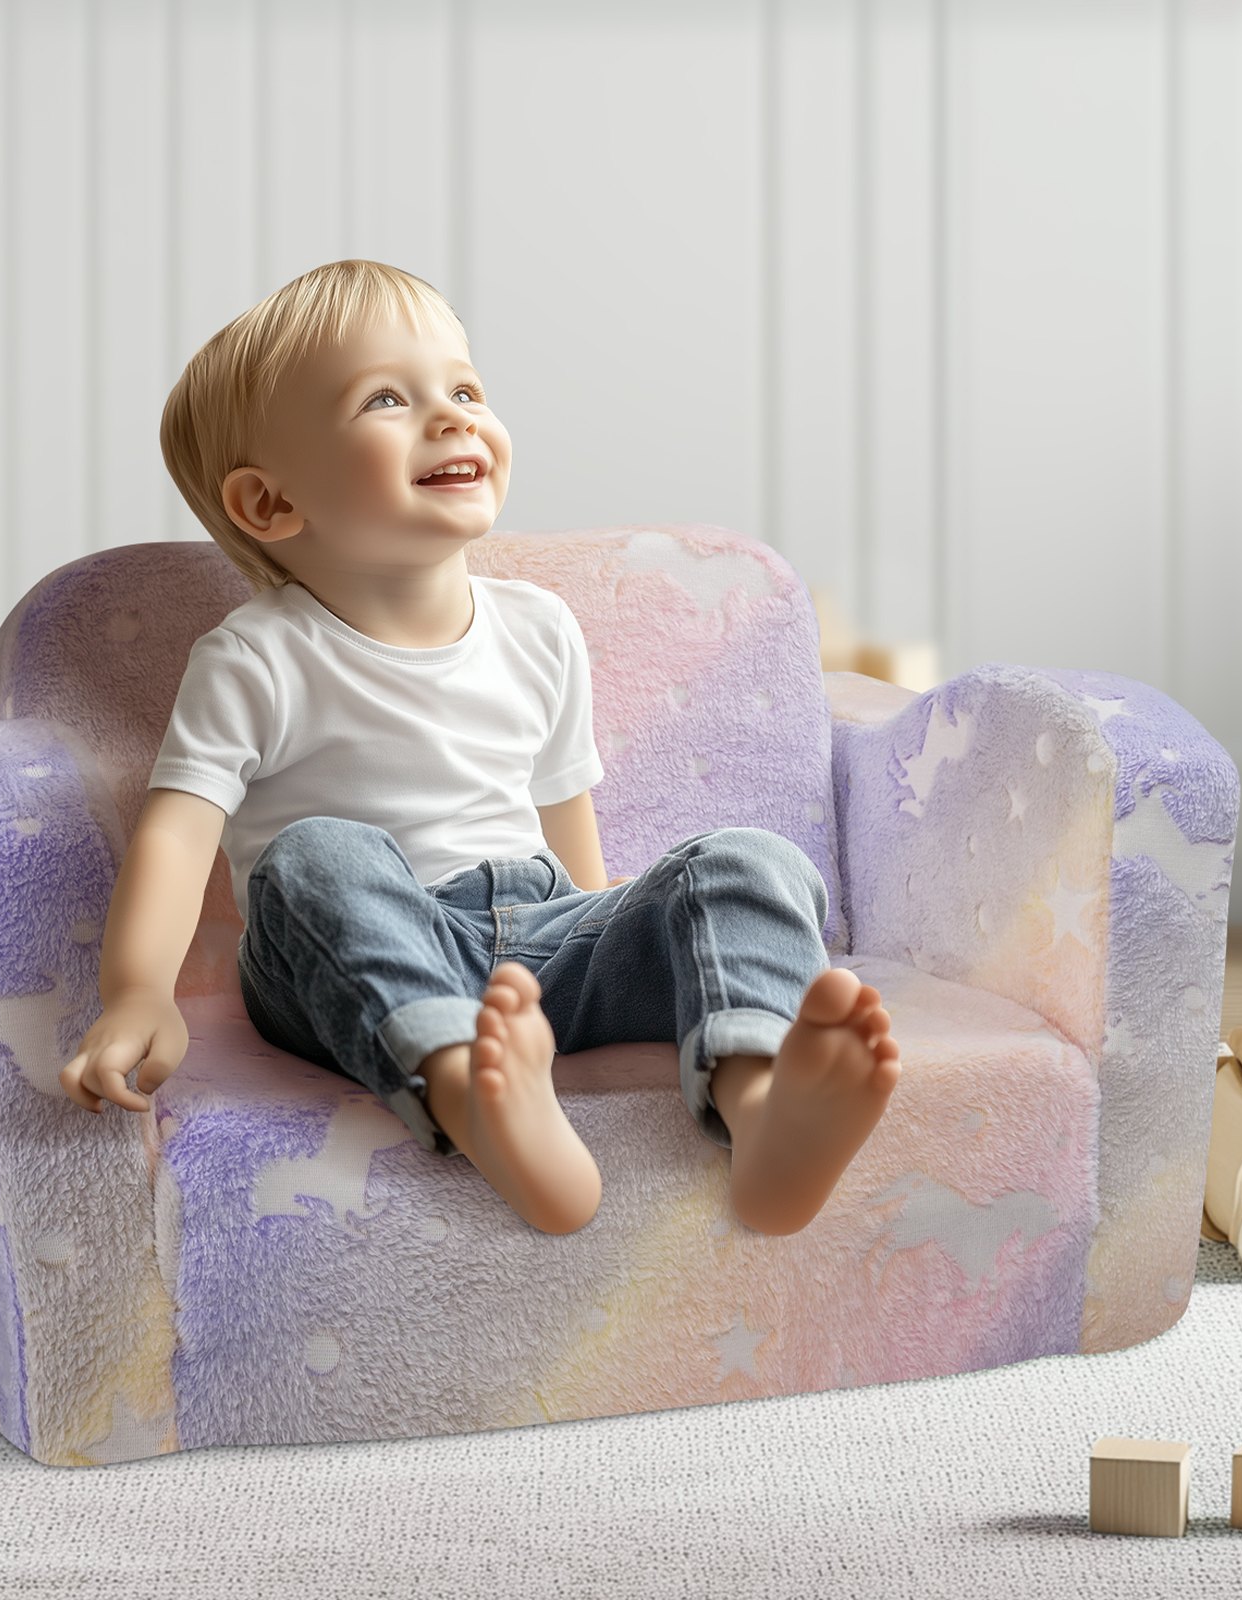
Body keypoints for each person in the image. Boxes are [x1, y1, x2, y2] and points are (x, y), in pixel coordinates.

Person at [59, 258, 901, 1238]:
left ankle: (763, 1112)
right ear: (270, 504)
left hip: (541, 936)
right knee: (314, 858)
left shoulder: (539, 628)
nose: (452, 418)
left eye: (464, 390)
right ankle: (474, 1098)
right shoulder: (257, 656)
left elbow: (568, 827)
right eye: (387, 399)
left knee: (747, 861)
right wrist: (137, 994)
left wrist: (617, 928)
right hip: (361, 954)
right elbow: (178, 830)